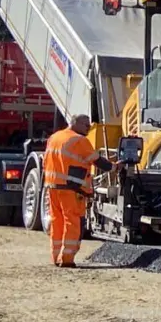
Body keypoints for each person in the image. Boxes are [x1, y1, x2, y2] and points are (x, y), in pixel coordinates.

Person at [42, 114, 106, 267]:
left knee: (57, 221)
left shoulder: (54, 137)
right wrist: (115, 167)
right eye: (85, 124)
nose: (88, 127)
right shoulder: (80, 140)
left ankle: (56, 256)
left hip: (52, 186)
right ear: (75, 123)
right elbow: (96, 160)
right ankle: (67, 259)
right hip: (71, 189)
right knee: (72, 221)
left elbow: (45, 161)